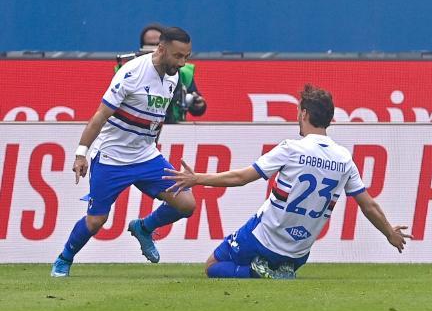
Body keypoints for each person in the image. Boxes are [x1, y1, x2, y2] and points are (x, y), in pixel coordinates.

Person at [163, 84, 412, 279]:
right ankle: (278, 269)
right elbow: (368, 205)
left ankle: (257, 272)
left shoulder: (291, 148)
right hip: (298, 254)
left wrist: (197, 178)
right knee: (276, 254)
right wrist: (389, 233)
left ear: (304, 113)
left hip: (263, 239)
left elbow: (241, 178)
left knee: (213, 266)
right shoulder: (344, 158)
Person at [51, 27, 197, 277]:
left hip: (146, 155)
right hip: (112, 157)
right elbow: (100, 116)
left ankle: (143, 228)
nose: (182, 63)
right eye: (178, 56)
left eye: (187, 56)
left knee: (186, 204)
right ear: (161, 49)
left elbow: (157, 118)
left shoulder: (173, 76)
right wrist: (81, 153)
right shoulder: (132, 73)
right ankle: (64, 259)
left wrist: (151, 146)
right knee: (96, 221)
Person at [140, 23, 207, 124]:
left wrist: (198, 105)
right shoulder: (132, 71)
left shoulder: (184, 72)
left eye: (157, 44)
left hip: (174, 128)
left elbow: (196, 107)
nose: (155, 49)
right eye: (149, 45)